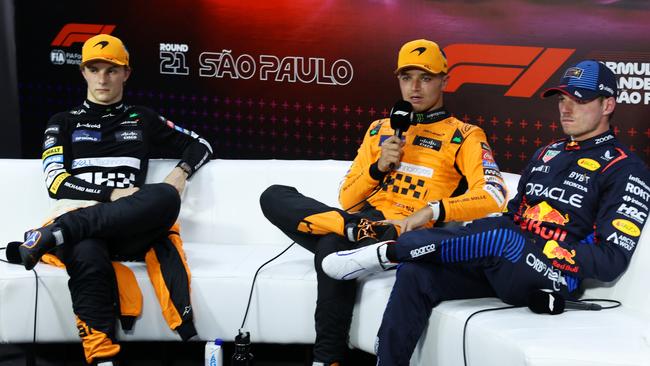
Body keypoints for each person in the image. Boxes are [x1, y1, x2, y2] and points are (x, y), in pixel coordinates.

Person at [322, 60, 650, 365]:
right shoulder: (547, 153)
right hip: (506, 262)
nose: (565, 108)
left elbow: (610, 261)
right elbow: (513, 217)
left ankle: (387, 251)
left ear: (607, 105)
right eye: (562, 98)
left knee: (502, 237)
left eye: (579, 100)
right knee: (416, 272)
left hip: (553, 274)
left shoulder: (625, 169)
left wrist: (545, 249)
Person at [259, 39, 507, 366]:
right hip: (365, 222)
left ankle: (328, 359)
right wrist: (378, 168)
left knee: (330, 245)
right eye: (406, 78)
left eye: (426, 77)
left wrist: (434, 210)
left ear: (445, 81)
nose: (414, 87)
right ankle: (352, 231)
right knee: (273, 196)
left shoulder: (465, 135)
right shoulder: (380, 129)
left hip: (401, 231)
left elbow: (494, 195)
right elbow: (347, 197)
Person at [16, 34, 213, 365]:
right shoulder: (62, 122)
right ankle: (102, 358)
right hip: (83, 225)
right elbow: (55, 182)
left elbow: (201, 145)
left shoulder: (142, 118)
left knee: (165, 196)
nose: (103, 78)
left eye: (112, 70)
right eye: (95, 69)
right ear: (83, 72)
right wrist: (111, 193)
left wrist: (179, 173)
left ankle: (54, 234)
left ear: (126, 74)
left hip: (127, 229)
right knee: (86, 250)